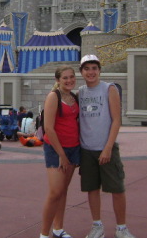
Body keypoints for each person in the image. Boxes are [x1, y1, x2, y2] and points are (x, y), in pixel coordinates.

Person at [78, 55, 136, 238]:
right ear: (82, 72)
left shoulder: (109, 89)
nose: (91, 72)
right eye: (86, 69)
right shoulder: (80, 92)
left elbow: (116, 120)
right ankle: (97, 226)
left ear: (99, 70)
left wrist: (108, 147)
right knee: (92, 189)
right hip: (86, 150)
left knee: (117, 189)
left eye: (94, 68)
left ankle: (121, 228)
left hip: (106, 148)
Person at [40, 65, 80, 238]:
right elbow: (49, 128)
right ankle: (44, 233)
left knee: (63, 190)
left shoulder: (74, 97)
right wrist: (62, 156)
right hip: (56, 149)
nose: (69, 80)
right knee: (55, 191)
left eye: (71, 77)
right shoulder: (53, 97)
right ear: (57, 80)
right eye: (65, 78)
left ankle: (58, 229)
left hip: (73, 147)